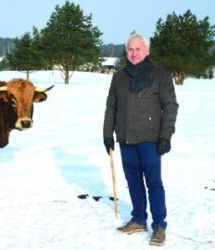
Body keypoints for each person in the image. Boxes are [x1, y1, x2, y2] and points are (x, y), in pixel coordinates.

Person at [103, 33, 178, 246]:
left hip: (150, 140)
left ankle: (159, 225)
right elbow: (111, 107)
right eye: (130, 49)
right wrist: (107, 133)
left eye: (138, 49)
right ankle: (138, 219)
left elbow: (170, 107)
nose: (134, 53)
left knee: (154, 183)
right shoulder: (119, 77)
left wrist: (165, 136)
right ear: (126, 52)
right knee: (133, 182)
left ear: (147, 51)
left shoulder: (160, 75)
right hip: (126, 139)